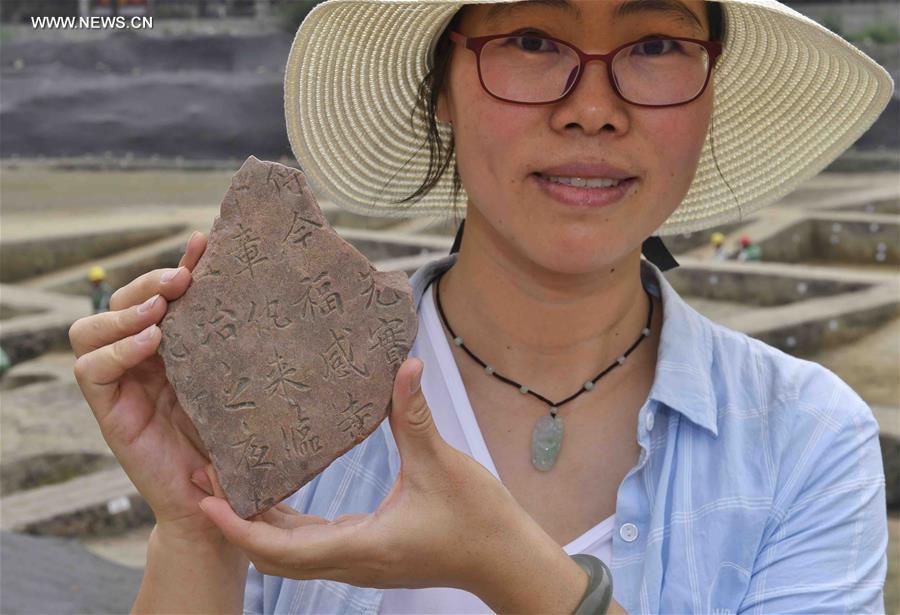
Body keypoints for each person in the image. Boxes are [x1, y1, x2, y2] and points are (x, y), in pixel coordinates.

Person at [68, 0, 894, 613]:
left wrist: (511, 569)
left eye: (654, 45)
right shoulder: (286, 414)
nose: (594, 108)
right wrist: (197, 521)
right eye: (532, 40)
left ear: (710, 89)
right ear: (442, 87)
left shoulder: (808, 440)